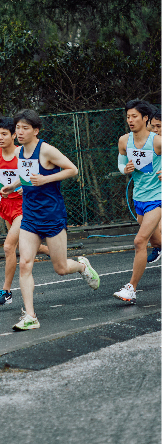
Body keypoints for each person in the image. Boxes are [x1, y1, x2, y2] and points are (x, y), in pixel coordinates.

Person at [1, 110, 100, 331]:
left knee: (61, 268)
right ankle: (30, 317)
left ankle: (82, 266)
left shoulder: (45, 150)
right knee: (25, 264)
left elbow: (72, 170)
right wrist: (14, 185)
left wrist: (46, 178)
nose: (20, 132)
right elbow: (27, 175)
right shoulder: (19, 153)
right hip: (30, 216)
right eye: (18, 127)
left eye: (25, 128)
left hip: (53, 215)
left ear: (36, 131)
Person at [0, 117, 50, 306]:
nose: (0, 138)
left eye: (4, 134)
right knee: (24, 247)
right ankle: (66, 259)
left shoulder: (23, 153)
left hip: (25, 206)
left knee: (8, 247)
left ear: (14, 135)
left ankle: (5, 291)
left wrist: (25, 186)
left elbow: (37, 175)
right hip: (6, 206)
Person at [113, 100, 162, 302]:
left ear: (145, 118)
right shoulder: (124, 141)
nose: (130, 120)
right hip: (139, 197)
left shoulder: (157, 141)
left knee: (139, 241)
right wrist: (123, 169)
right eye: (128, 117)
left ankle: (131, 288)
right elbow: (121, 160)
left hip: (157, 197)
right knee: (155, 240)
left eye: (134, 116)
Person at [145, 107, 162, 263]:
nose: (155, 129)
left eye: (159, 126)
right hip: (154, 192)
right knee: (149, 222)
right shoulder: (149, 142)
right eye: (153, 126)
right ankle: (158, 246)